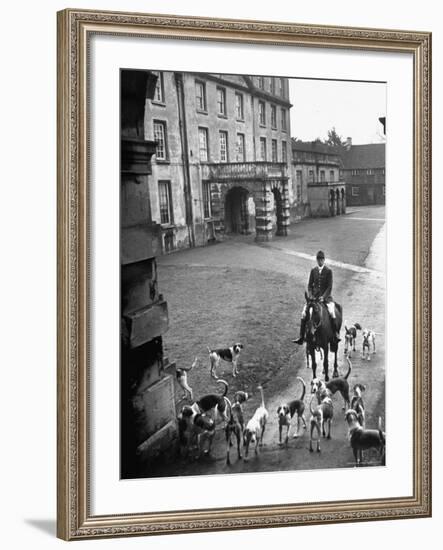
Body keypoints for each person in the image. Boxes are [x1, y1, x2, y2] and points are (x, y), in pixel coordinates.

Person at [293, 250, 341, 345]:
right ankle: (301, 337)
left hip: (326, 298)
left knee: (332, 312)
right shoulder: (313, 270)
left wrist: (323, 297)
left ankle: (335, 334)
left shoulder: (328, 271)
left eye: (321, 260)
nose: (320, 261)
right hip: (313, 299)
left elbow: (329, 287)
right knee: (304, 313)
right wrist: (310, 295)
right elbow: (310, 285)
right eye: (318, 260)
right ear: (317, 260)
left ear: (324, 260)